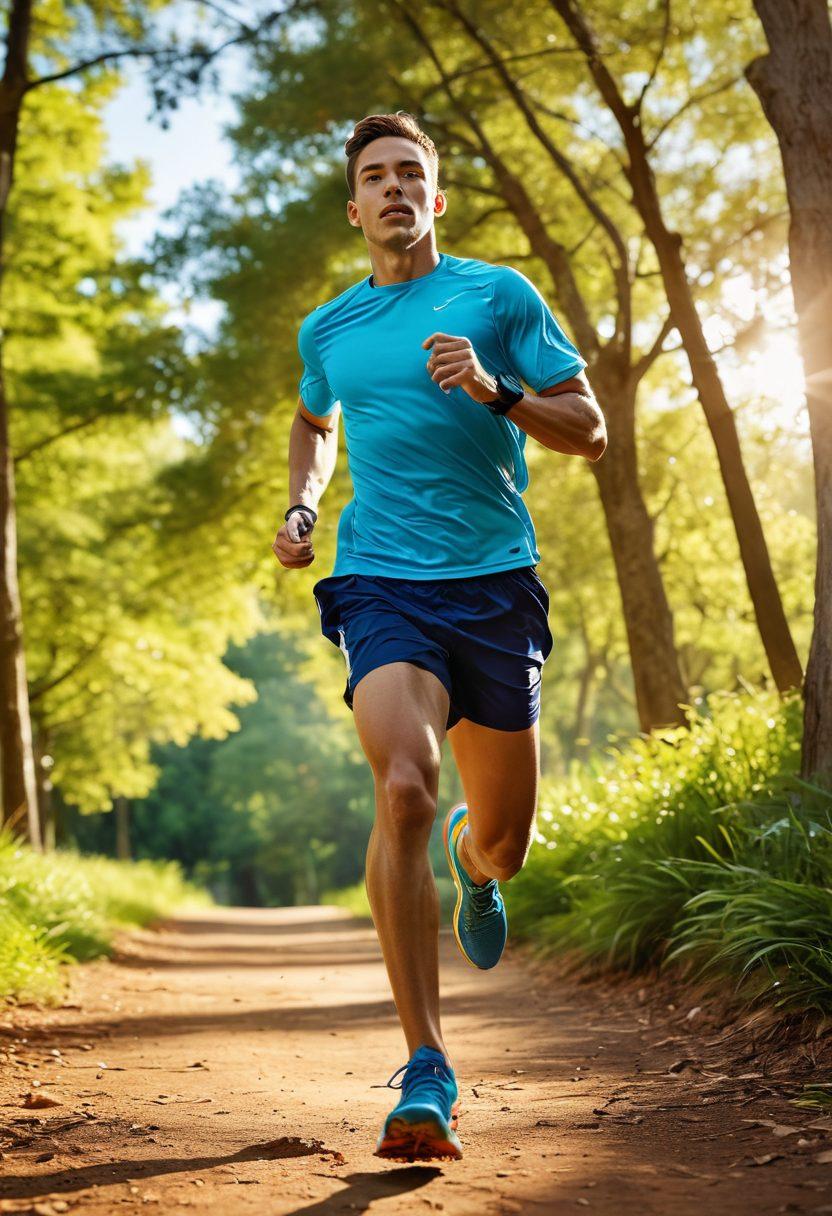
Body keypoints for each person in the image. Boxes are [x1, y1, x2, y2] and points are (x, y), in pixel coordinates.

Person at [272, 111, 606, 1162]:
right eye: (374, 176)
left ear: (437, 196)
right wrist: (301, 504)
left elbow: (587, 426)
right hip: (381, 584)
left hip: (496, 588)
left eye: (410, 172)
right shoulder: (327, 330)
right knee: (403, 786)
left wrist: (498, 390)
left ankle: (478, 860)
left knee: (500, 835)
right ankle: (425, 1063)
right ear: (354, 205)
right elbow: (313, 420)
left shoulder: (497, 296)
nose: (393, 188)